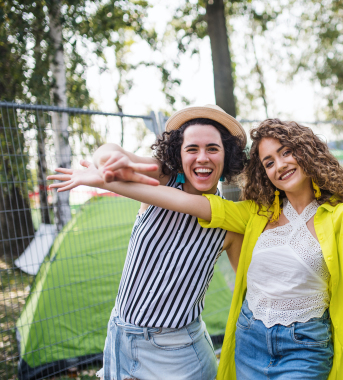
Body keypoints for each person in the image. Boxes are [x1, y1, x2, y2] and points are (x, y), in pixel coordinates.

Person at [50, 119, 343, 380]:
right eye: (268, 160)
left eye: (287, 153)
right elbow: (169, 193)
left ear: (307, 154)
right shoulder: (250, 215)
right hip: (249, 342)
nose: (280, 164)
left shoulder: (336, 217)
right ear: (260, 171)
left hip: (305, 348)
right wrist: (108, 181)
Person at [90, 105, 247, 380]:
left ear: (227, 156)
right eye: (191, 149)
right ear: (178, 153)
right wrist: (109, 158)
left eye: (213, 148)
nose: (202, 158)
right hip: (119, 336)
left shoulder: (228, 222)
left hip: (178, 355)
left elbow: (251, 288)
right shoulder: (161, 180)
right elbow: (114, 152)